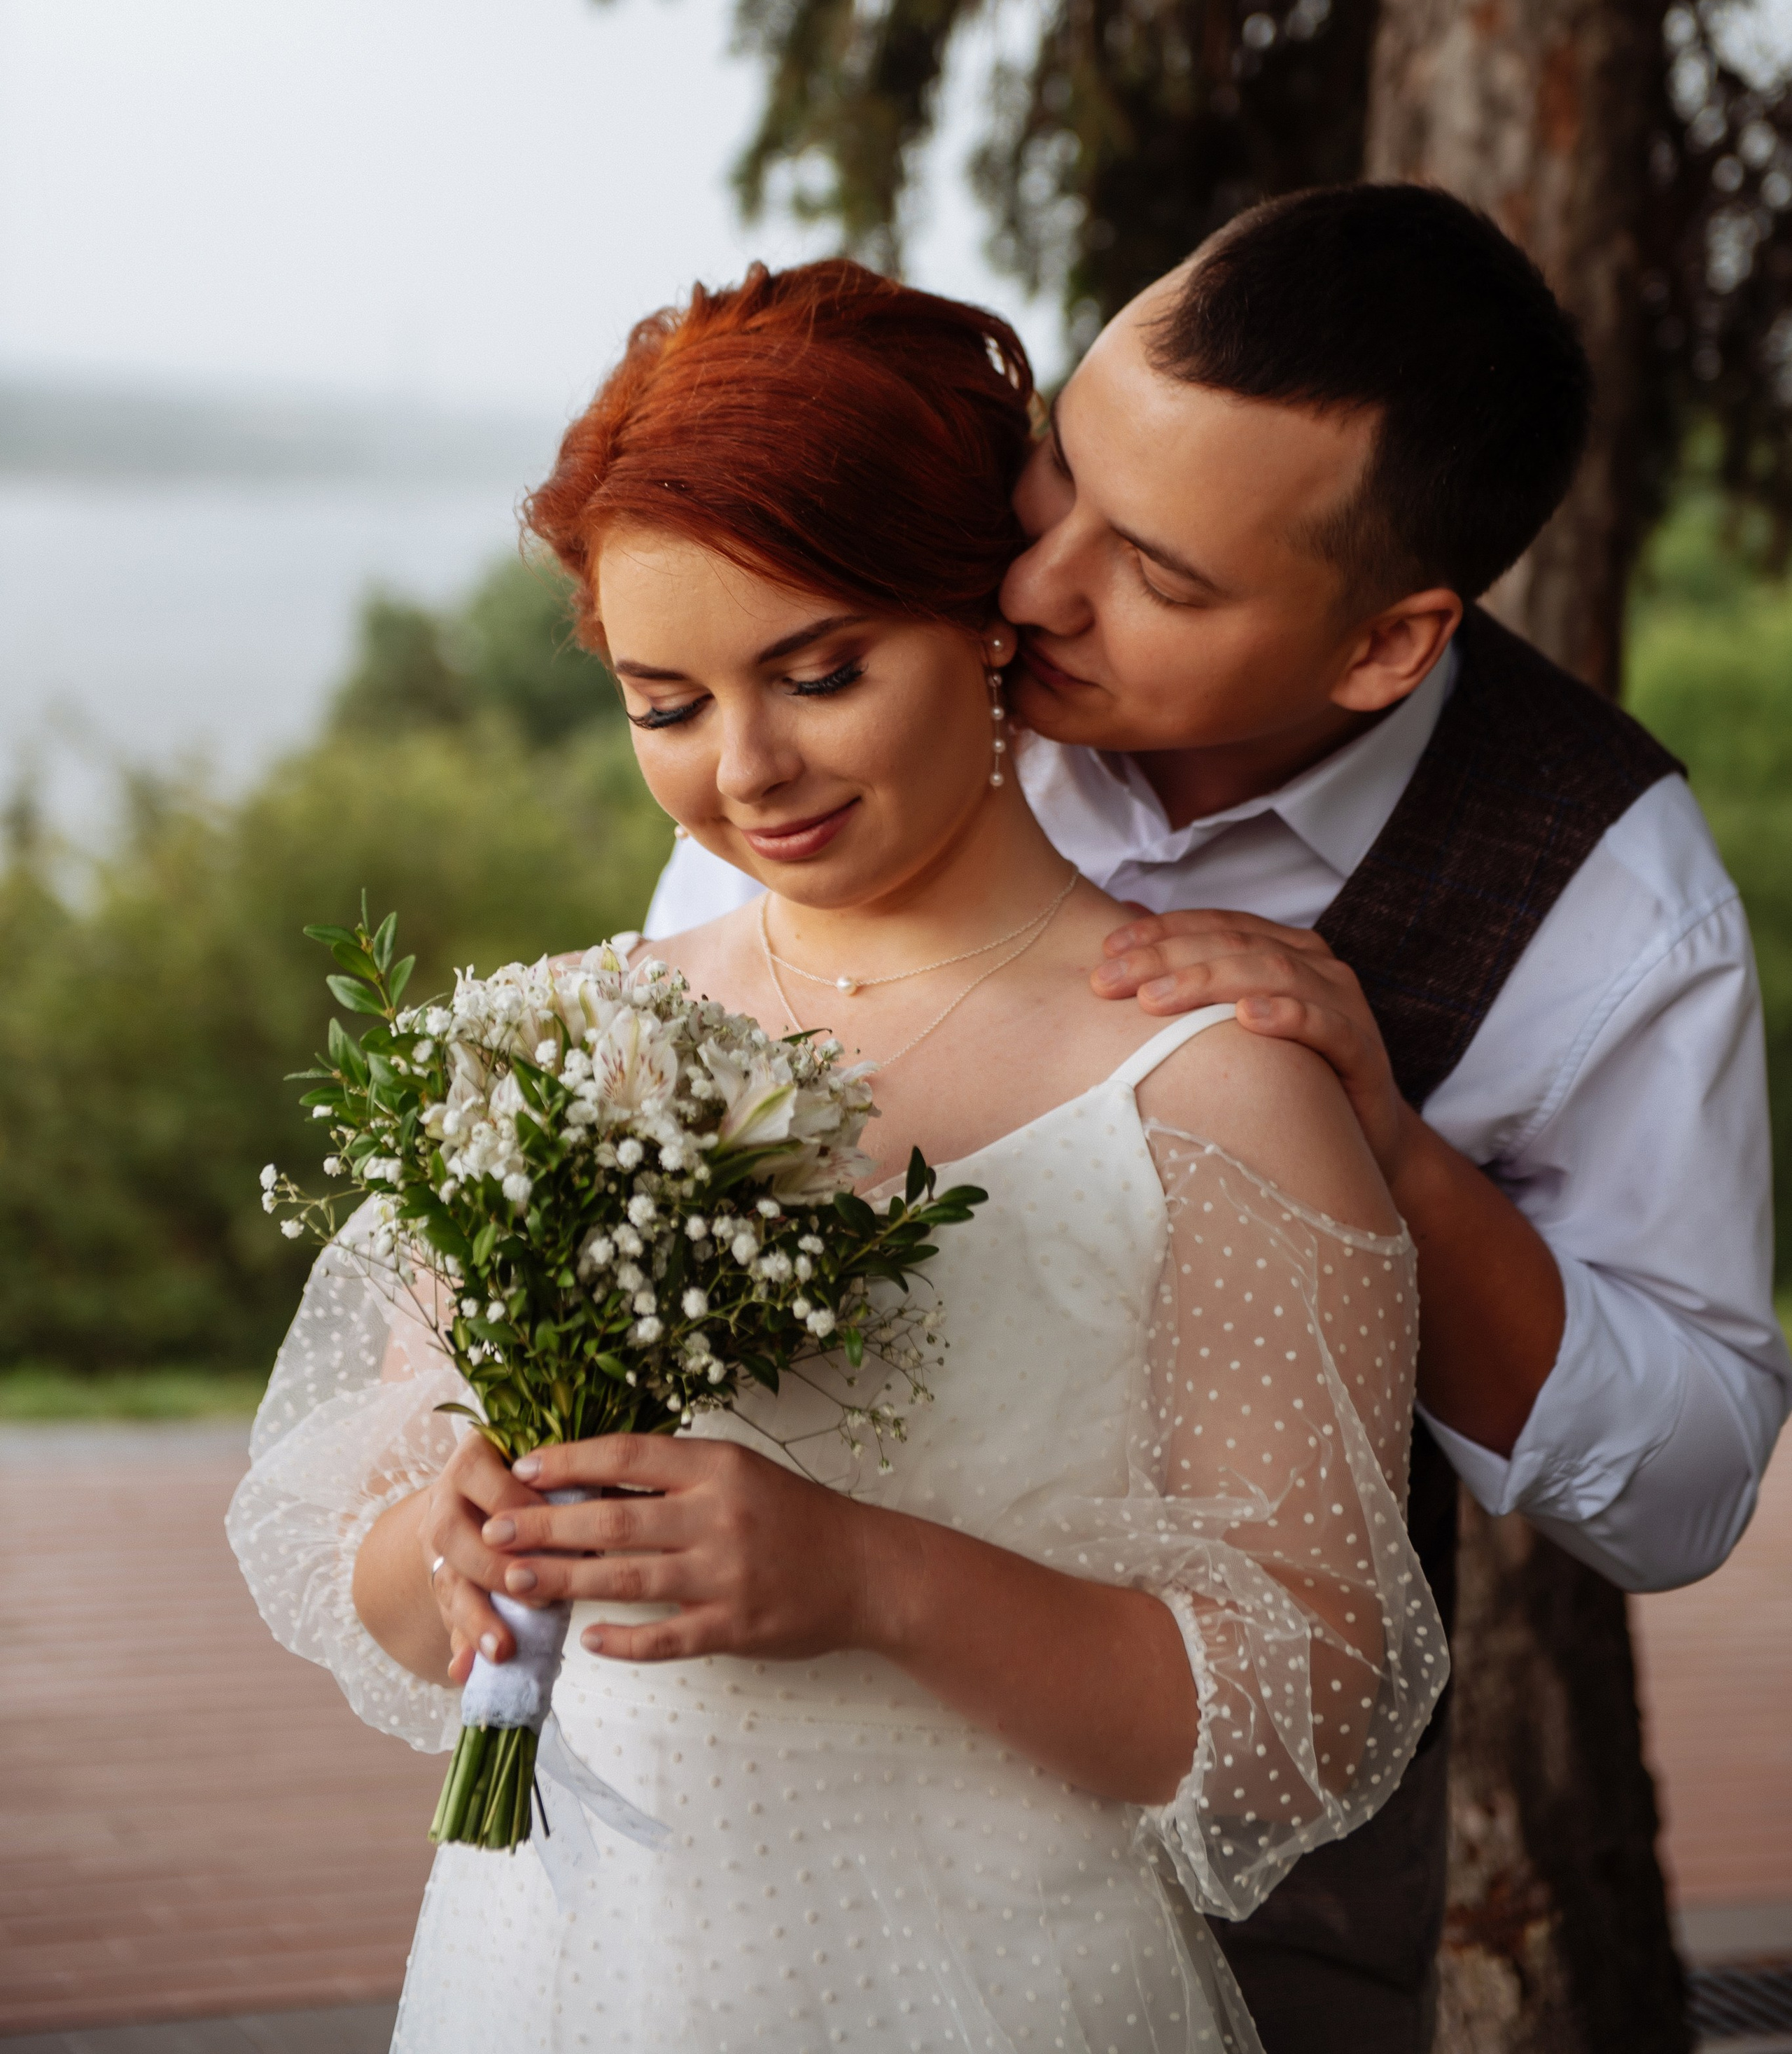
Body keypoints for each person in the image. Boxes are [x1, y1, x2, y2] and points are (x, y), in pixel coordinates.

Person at [230, 259, 1447, 2054]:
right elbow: (393, 1597)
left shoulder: (1211, 1089)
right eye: (664, 703)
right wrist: (451, 1542)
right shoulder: (564, 1044)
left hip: (997, 1991)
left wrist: (870, 1580)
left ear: (987, 621)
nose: (748, 768)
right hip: (549, 1974)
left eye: (819, 672)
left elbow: (1309, 1720)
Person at [652, 185, 1792, 2053]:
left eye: (1157, 576)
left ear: (1384, 644)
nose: (1035, 585)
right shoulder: (888, 657)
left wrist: (1391, 1152)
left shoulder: (1608, 899)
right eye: (1060, 471)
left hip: (1266, 1849)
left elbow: (1684, 1488)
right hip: (779, 1782)